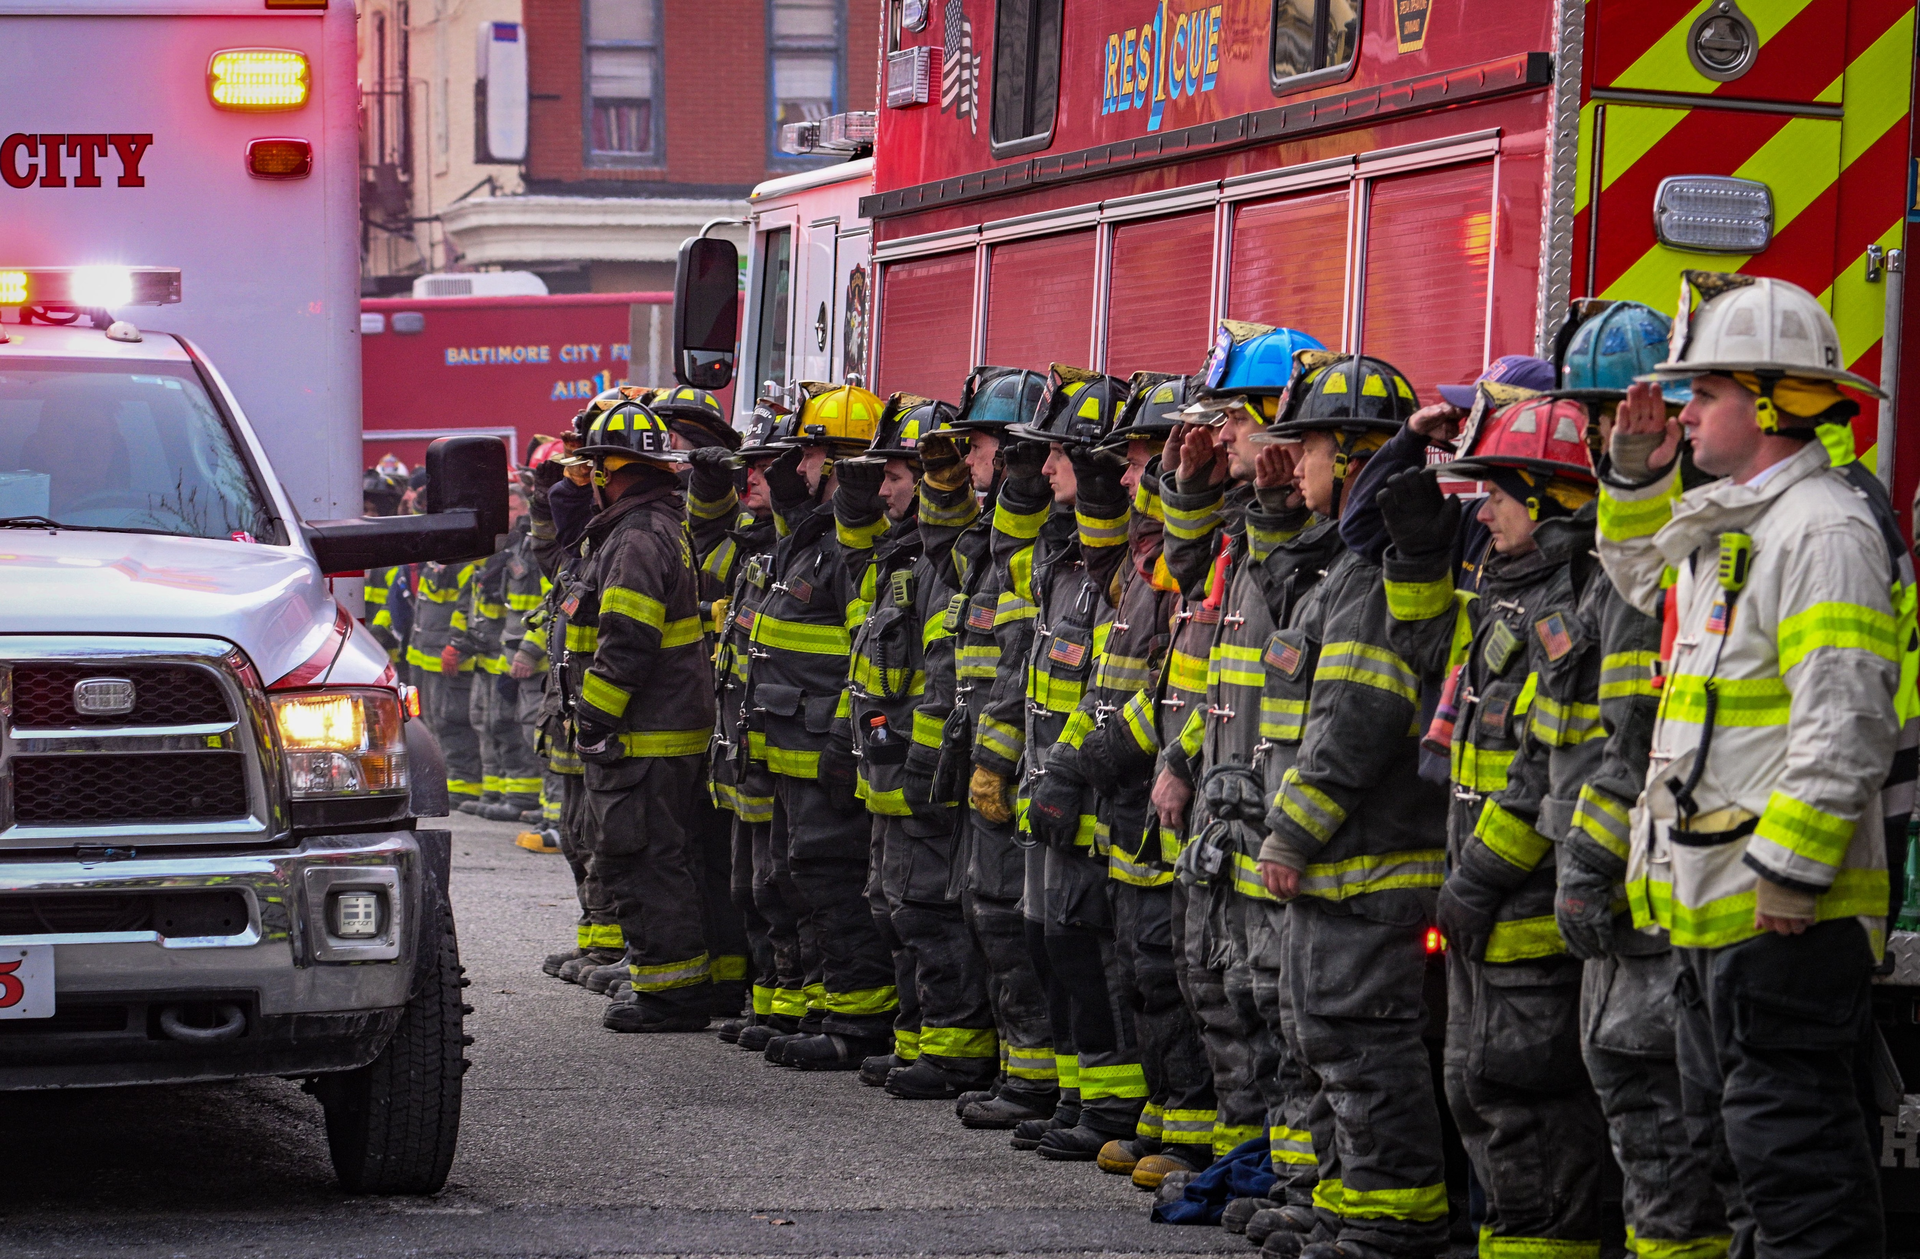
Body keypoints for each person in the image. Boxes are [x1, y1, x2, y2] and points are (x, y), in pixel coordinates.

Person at [1600, 272, 1915, 1257]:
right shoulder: (1740, 523)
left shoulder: (1821, 529)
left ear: (1774, 401)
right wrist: (1637, 471)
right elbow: (1638, 569)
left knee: (1797, 1174)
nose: (1684, 412)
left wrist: (1791, 867)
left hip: (1782, 918)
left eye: (1706, 394)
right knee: (1737, 1162)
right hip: (1719, 915)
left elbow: (1846, 719)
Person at [1380, 387, 1609, 1257]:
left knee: (1526, 1101)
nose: (1489, 509)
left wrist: (1477, 875)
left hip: (1525, 907)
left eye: (1504, 492)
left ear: (1553, 500)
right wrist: (1411, 546)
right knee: (1476, 1088)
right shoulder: (1501, 592)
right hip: (1486, 905)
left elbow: (1551, 770)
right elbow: (1428, 658)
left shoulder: (1564, 612)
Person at [1541, 300, 1739, 1257]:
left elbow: (1633, 730)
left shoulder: (1683, 561)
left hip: (1656, 889)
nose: (1587, 437)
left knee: (1660, 1119)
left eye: (1604, 419)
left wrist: (1589, 849)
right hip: (1650, 877)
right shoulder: (1654, 548)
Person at [1065, 372, 1217, 1188]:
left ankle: (1192, 1129)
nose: (1127, 479)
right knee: (1138, 963)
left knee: (1169, 967)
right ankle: (1162, 1114)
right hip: (1133, 794)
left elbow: (1167, 696)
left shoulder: (1178, 577)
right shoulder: (1143, 566)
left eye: (1138, 462)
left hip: (1161, 789)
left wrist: (1097, 755)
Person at [1000, 365, 1151, 1163]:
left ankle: (1110, 1103)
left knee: (1085, 952)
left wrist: (1069, 779)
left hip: (1093, 797)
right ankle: (1073, 1094)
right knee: (1045, 941)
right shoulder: (1058, 561)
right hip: (1048, 787)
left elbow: (1111, 688)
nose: (1047, 469)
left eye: (1060, 457)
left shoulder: (1119, 573)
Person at [838, 394, 1002, 1100]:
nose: (888, 488)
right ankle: (918, 1037)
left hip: (920, 774)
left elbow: (943, 678)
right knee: (894, 905)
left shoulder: (950, 563)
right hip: (888, 767)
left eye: (900, 475)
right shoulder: (903, 557)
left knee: (928, 912)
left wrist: (920, 765)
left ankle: (954, 1050)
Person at [923, 367, 1063, 1129]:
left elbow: (1017, 666)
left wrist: (997, 759)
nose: (968, 460)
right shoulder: (991, 542)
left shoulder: (1034, 550)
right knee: (989, 913)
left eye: (977, 447)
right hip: (987, 749)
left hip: (1012, 761)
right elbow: (943, 548)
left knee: (1011, 920)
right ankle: (1018, 1068)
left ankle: (1032, 1076)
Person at [749, 381, 901, 1069]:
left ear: (838, 465)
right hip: (789, 745)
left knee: (834, 880)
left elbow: (864, 649)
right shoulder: (810, 539)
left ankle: (854, 1021)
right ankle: (819, 1001)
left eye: (808, 456)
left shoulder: (850, 550)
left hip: (821, 746)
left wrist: (844, 739)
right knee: (797, 875)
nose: (797, 468)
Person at [563, 394, 718, 1034]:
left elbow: (627, 638)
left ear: (610, 471)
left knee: (645, 857)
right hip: (665, 730)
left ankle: (672, 996)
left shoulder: (634, 537)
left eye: (590, 471)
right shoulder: (658, 526)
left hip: (645, 737)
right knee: (664, 856)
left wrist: (594, 719)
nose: (586, 484)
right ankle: (673, 986)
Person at [707, 403, 791, 1047]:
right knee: (751, 884)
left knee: (782, 881)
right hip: (746, 744)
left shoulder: (804, 551)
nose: (750, 478)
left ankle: (793, 1003)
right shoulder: (755, 547)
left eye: (764, 466)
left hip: (789, 746)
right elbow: (700, 567)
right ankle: (769, 1001)